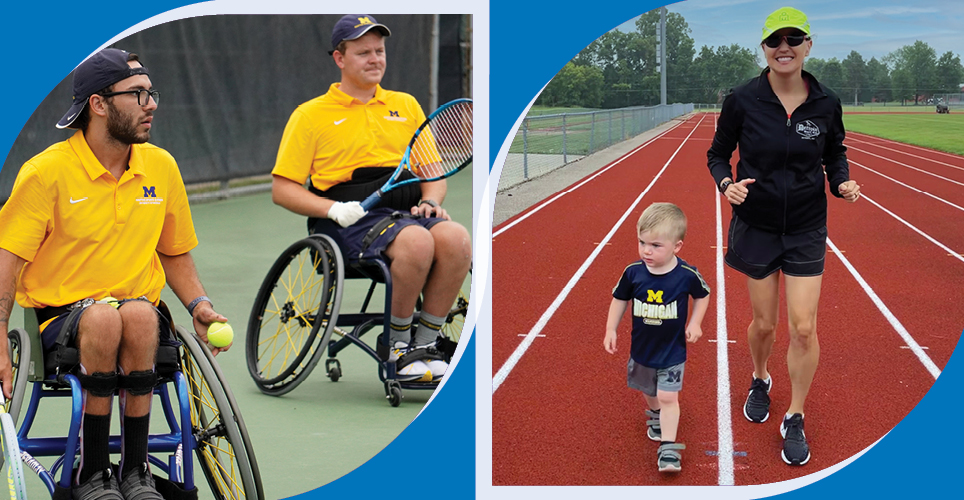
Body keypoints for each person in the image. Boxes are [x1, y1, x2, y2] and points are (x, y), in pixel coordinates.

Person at [0, 48, 230, 499]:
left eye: (152, 93)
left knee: (141, 315)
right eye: (138, 94)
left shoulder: (160, 167)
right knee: (106, 318)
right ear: (99, 104)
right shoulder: (45, 173)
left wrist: (200, 305)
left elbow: (175, 253)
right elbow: (7, 264)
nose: (152, 104)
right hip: (61, 322)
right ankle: (91, 470)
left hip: (140, 316)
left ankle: (136, 469)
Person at [271, 14, 471, 382]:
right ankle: (396, 348)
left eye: (379, 51)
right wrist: (332, 208)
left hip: (406, 212)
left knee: (456, 238)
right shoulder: (310, 115)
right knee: (416, 241)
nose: (375, 59)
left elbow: (432, 173)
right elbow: (282, 189)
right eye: (363, 52)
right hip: (346, 221)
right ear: (339, 58)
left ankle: (425, 344)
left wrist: (431, 199)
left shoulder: (406, 105)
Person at [706, 7, 861, 466]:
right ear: (765, 49)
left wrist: (841, 183)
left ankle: (794, 414)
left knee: (803, 326)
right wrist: (725, 185)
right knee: (766, 325)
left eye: (794, 39)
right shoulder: (742, 99)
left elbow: (835, 154)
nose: (784, 47)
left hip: (807, 227)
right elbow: (717, 155)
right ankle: (759, 377)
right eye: (775, 40)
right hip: (756, 225)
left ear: (809, 46)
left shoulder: (827, 102)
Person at [604, 203, 710, 472]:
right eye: (642, 242)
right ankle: (654, 414)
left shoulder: (686, 275)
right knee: (648, 391)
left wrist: (696, 323)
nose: (646, 250)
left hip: (672, 353)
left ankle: (669, 449)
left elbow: (703, 295)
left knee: (667, 397)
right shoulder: (633, 273)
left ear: (677, 246)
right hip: (642, 351)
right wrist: (610, 329)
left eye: (655, 245)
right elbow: (619, 300)